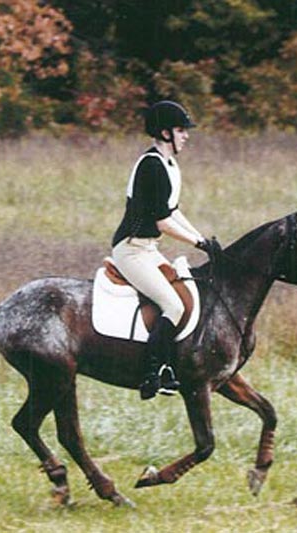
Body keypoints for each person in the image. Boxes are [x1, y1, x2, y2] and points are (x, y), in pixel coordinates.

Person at [111, 100, 207, 400]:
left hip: (149, 249)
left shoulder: (169, 165)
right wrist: (196, 243)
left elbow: (174, 211)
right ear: (165, 133)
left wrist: (202, 238)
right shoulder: (151, 165)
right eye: (181, 131)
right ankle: (155, 372)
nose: (186, 136)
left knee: (184, 295)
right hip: (131, 250)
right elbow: (162, 221)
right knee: (174, 306)